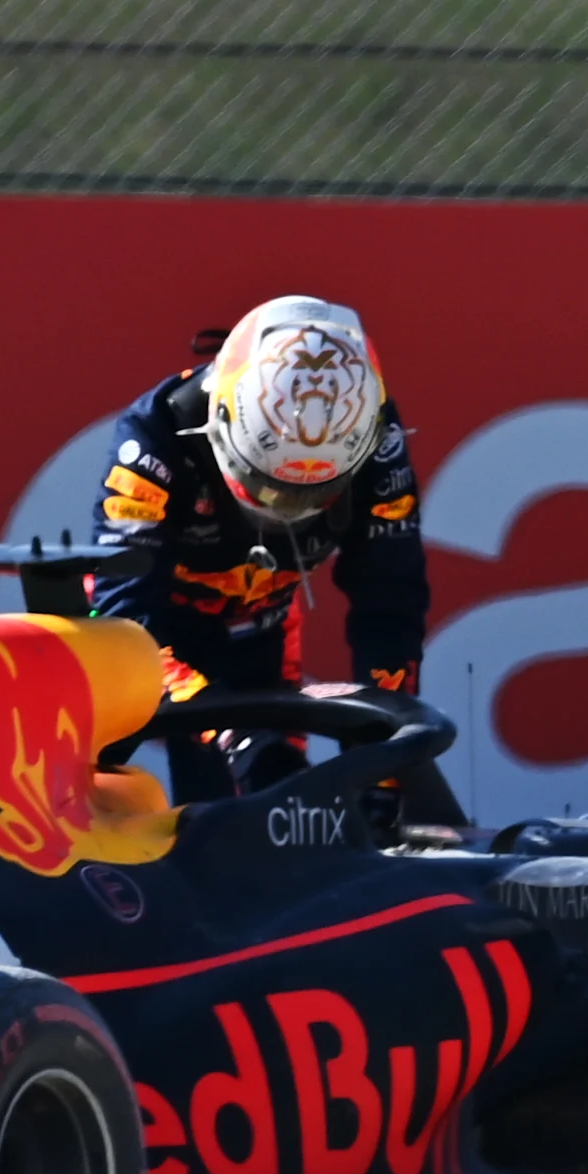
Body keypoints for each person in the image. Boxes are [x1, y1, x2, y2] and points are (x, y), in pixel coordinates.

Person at [87, 295, 428, 802]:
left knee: (281, 799)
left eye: (314, 494)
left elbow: (391, 608)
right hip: (148, 634)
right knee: (95, 774)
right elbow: (123, 628)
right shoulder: (155, 439)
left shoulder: (378, 441)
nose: (288, 508)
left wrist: (383, 771)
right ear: (221, 425)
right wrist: (233, 734)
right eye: (272, 486)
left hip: (264, 620)